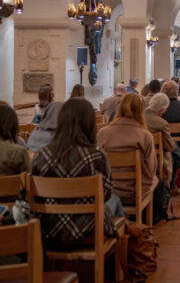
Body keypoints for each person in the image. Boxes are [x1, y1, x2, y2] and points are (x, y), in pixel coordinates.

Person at [31, 98, 117, 250]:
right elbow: (106, 194)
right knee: (115, 202)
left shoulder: (41, 155)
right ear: (90, 124)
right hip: (87, 225)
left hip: (48, 227)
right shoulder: (96, 156)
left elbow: (33, 195)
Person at [97, 93, 157, 204]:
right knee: (157, 180)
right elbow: (151, 168)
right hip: (135, 191)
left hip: (109, 190)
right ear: (141, 111)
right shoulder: (145, 135)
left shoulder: (102, 133)